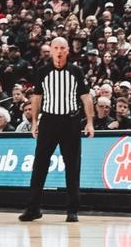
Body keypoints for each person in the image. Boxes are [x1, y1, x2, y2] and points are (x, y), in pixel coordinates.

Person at [19, 37, 93, 224]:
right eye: (56, 48)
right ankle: (33, 208)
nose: (59, 51)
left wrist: (90, 122)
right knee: (40, 166)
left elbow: (86, 98)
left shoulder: (76, 71)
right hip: (49, 122)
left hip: (70, 121)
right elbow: (36, 98)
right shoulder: (42, 71)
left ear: (68, 50)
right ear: (51, 50)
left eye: (62, 48)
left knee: (72, 166)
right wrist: (35, 122)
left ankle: (72, 209)